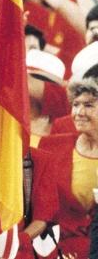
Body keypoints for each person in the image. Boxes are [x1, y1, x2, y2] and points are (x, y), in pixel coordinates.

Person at [38, 77, 98, 258]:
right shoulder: (51, 147)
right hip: (56, 249)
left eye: (88, 105)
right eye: (75, 104)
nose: (79, 112)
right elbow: (39, 209)